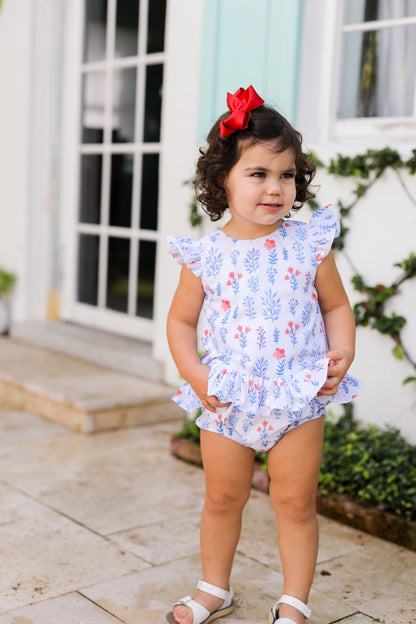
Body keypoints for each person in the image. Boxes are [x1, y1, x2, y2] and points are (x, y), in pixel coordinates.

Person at [166, 86, 362, 624]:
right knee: (223, 500)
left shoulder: (309, 245)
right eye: (258, 174)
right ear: (222, 179)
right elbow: (181, 321)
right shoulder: (205, 255)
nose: (275, 187)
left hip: (298, 395)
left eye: (287, 174)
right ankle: (214, 588)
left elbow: (337, 307)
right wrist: (195, 373)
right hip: (227, 398)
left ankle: (294, 603)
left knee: (295, 504)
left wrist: (340, 350)